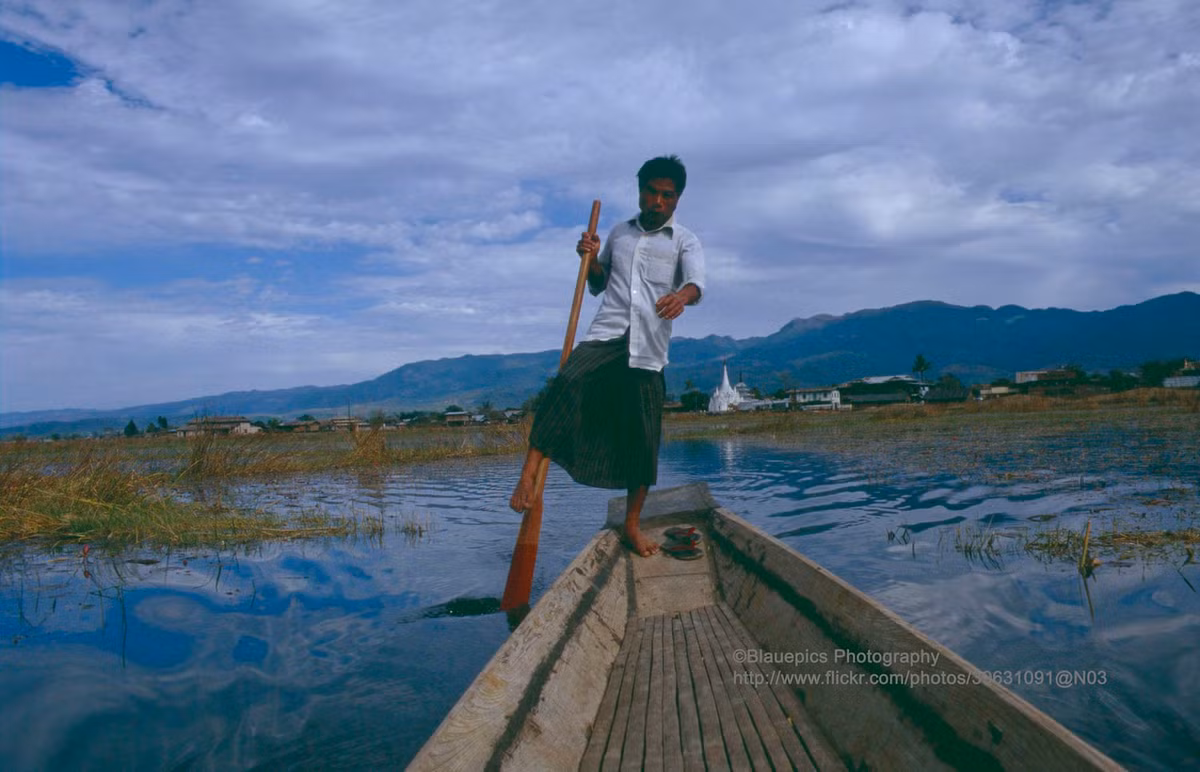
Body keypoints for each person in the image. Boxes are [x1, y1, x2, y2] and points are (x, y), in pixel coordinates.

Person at [509, 155, 705, 557]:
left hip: (648, 346)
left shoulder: (685, 240)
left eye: (667, 195)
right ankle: (528, 475)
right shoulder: (619, 234)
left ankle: (631, 525)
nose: (657, 201)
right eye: (651, 192)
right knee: (566, 383)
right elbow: (598, 283)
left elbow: (696, 284)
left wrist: (681, 296)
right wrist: (590, 257)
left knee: (644, 439)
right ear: (640, 191)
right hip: (608, 333)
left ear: (676, 200)